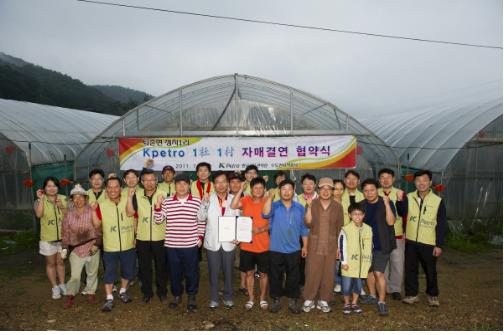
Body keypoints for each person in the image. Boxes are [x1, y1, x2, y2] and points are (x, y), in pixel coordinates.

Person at [154, 174, 206, 312]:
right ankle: (177, 295)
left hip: (190, 245)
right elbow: (158, 220)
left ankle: (191, 296)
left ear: (189, 185)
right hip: (172, 245)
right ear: (175, 185)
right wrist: (158, 206)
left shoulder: (197, 201)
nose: (182, 187)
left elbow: (201, 221)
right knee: (174, 273)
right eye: (179, 184)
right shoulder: (167, 201)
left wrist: (200, 237)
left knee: (192, 272)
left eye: (185, 184)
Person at [400, 170, 446, 307]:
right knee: (410, 269)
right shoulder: (408, 197)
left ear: (430, 182)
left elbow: (442, 224)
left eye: (424, 180)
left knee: (430, 270)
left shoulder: (438, 201)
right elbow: (402, 214)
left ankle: (432, 295)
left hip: (429, 242)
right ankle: (412, 294)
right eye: (418, 180)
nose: (421, 183)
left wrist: (439, 245)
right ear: (414, 182)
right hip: (411, 240)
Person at [262, 179, 308, 314]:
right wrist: (270, 197)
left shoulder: (300, 207)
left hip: (294, 248)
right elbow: (265, 214)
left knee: (294, 275)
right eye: (283, 189)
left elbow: (304, 229)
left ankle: (293, 300)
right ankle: (276, 299)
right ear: (279, 191)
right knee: (275, 275)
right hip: (276, 248)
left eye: (289, 189)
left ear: (294, 191)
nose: (286, 192)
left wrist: (305, 246)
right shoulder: (274, 205)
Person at [199, 171, 240, 309]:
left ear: (228, 183)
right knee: (213, 271)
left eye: (223, 181)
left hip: (229, 242)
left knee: (229, 271)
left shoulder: (234, 198)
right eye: (217, 182)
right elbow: (200, 218)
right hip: (213, 241)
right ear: (213, 184)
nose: (221, 185)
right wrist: (204, 203)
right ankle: (214, 298)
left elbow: (240, 220)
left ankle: (228, 297)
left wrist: (239, 236)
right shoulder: (208, 198)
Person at [126, 169, 168, 304]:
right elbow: (129, 213)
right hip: (142, 237)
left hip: (161, 237)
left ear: (156, 181)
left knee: (161, 266)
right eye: (146, 180)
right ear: (142, 182)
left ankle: (162, 292)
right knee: (145, 267)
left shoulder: (164, 195)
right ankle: (147, 292)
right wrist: (129, 197)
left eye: (152, 180)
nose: (150, 183)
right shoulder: (136, 195)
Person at [302, 178, 343, 313]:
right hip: (315, 243)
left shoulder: (338, 206)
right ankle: (309, 299)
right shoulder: (312, 203)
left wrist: (339, 247)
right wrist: (308, 207)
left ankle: (324, 300)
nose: (326, 191)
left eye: (329, 188)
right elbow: (308, 223)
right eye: (323, 188)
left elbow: (339, 228)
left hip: (331, 244)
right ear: (318, 190)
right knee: (312, 271)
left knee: (328, 273)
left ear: (332, 191)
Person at [95, 177, 136, 312]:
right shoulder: (101, 205)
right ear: (106, 189)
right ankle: (109, 298)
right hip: (110, 246)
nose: (113, 190)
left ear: (120, 187)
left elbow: (131, 214)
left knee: (127, 270)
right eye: (110, 187)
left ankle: (123, 291)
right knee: (109, 272)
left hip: (127, 243)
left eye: (116, 186)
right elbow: (96, 225)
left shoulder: (128, 199)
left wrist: (129, 197)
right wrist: (92, 211)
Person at [358, 179, 396, 316]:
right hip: (366, 245)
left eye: (372, 190)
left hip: (382, 243)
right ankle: (372, 295)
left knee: (378, 272)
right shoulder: (362, 205)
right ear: (363, 192)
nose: (369, 193)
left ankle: (381, 301)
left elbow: (391, 222)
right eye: (366, 191)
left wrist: (386, 205)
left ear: (377, 190)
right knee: (369, 271)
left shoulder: (386, 202)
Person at [231, 177, 270, 311]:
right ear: (251, 189)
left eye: (260, 188)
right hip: (247, 245)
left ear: (264, 189)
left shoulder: (267, 202)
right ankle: (251, 298)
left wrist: (261, 229)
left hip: (264, 245)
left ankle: (263, 298)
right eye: (255, 188)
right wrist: (241, 188)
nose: (258, 190)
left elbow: (272, 223)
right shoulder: (246, 199)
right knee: (249, 273)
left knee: (264, 274)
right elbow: (233, 205)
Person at [61, 184, 101, 308]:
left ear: (85, 198)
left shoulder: (92, 210)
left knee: (92, 272)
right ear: (72, 200)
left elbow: (98, 228)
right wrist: (64, 247)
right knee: (75, 276)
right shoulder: (69, 214)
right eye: (75, 197)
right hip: (76, 249)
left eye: (81, 197)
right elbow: (65, 231)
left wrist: (97, 244)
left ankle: (91, 292)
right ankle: (70, 295)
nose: (78, 200)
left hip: (92, 246)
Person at [34, 176, 68, 299]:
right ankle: (55, 287)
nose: (52, 188)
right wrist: (41, 199)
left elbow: (69, 216)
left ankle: (63, 284)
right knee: (50, 263)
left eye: (54, 186)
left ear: (58, 187)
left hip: (63, 238)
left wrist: (61, 206)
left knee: (61, 262)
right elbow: (39, 214)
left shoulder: (64, 199)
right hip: (47, 239)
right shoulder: (39, 201)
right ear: (44, 188)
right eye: (49, 186)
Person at [339, 203, 373, 315]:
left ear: (364, 215)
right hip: (348, 263)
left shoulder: (368, 229)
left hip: (362, 264)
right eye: (354, 214)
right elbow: (341, 246)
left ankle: (354, 302)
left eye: (360, 214)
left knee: (358, 285)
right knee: (347, 285)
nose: (357, 217)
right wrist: (343, 262)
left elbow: (370, 246)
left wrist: (369, 261)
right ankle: (346, 303)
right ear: (350, 215)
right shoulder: (345, 229)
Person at [378, 168, 406, 300]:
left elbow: (405, 214)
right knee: (382, 264)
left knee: (397, 263)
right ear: (379, 180)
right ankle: (385, 287)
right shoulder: (374, 192)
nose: (385, 179)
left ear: (393, 179)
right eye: (382, 177)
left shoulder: (399, 193)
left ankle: (396, 289)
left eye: (388, 177)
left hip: (397, 234)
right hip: (380, 235)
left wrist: (405, 231)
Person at [332, 179, 346, 294]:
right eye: (336, 189)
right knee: (335, 261)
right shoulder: (328, 203)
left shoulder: (347, 202)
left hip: (347, 236)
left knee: (344, 260)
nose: (338, 192)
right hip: (333, 236)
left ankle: (345, 282)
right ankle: (337, 282)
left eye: (341, 189)